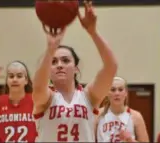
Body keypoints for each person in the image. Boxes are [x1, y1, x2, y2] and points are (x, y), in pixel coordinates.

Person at [32, 1, 118, 142]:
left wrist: (93, 32)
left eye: (65, 60)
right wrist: (50, 50)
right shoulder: (46, 99)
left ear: (76, 69)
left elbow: (111, 67)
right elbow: (38, 86)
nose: (59, 65)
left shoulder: (89, 96)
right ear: (49, 69)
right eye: (54, 62)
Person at [96, 76, 149, 142]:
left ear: (126, 93)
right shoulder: (97, 114)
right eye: (113, 90)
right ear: (107, 93)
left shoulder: (136, 116)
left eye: (120, 90)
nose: (117, 93)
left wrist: (131, 140)